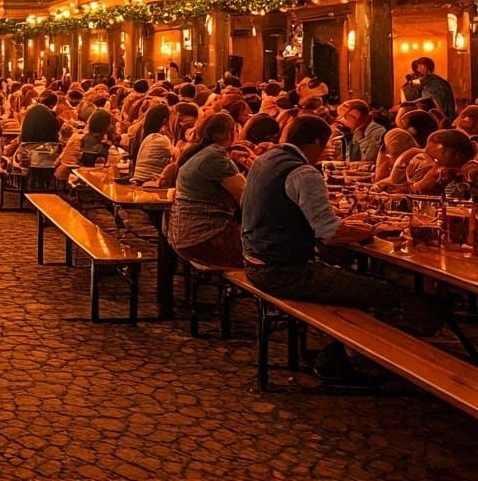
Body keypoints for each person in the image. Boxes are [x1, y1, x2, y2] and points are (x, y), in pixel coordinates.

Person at [241, 115, 442, 382]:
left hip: (256, 260)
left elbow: (301, 216)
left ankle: (342, 351)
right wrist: (372, 230)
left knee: (349, 273)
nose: (325, 153)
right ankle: (397, 360)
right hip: (283, 271)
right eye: (325, 146)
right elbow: (330, 234)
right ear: (315, 142)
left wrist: (344, 223)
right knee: (382, 292)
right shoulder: (303, 172)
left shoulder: (265, 160)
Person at [168, 112, 245, 267]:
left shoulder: (196, 154)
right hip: (204, 240)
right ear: (230, 133)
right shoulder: (215, 157)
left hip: (182, 236)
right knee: (268, 252)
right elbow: (246, 198)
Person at [130, 104, 174, 186]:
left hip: (138, 181)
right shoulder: (162, 139)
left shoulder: (143, 134)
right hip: (150, 184)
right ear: (164, 120)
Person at [401, 56, 456, 121]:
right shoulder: (421, 84)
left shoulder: (437, 83)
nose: (418, 68)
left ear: (428, 67)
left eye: (421, 65)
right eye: (417, 66)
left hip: (439, 118)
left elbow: (439, 105)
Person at [335, 99, 385, 165]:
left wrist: (359, 138)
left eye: (344, 117)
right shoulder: (350, 132)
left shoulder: (377, 132)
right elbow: (344, 160)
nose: (340, 120)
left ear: (355, 117)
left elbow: (367, 161)